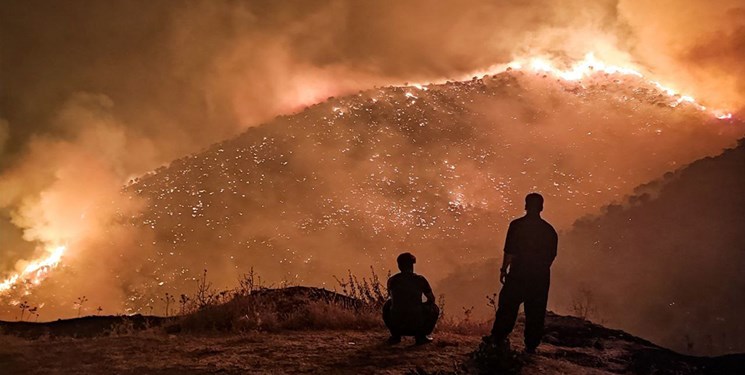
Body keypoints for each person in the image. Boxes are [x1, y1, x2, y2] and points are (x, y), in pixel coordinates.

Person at [490, 193, 558, 353]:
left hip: (518, 274)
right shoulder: (549, 231)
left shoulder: (516, 226)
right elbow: (551, 256)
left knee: (507, 307)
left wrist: (503, 269)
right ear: (541, 207)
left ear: (526, 205)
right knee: (536, 312)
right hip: (540, 277)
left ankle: (498, 339)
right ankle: (531, 346)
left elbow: (509, 251)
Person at [383, 252, 439, 345]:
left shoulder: (392, 280)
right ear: (412, 265)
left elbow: (391, 296)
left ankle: (395, 336)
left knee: (387, 305)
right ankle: (421, 336)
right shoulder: (420, 280)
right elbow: (431, 299)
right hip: (416, 323)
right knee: (434, 308)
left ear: (399, 266)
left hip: (398, 323)